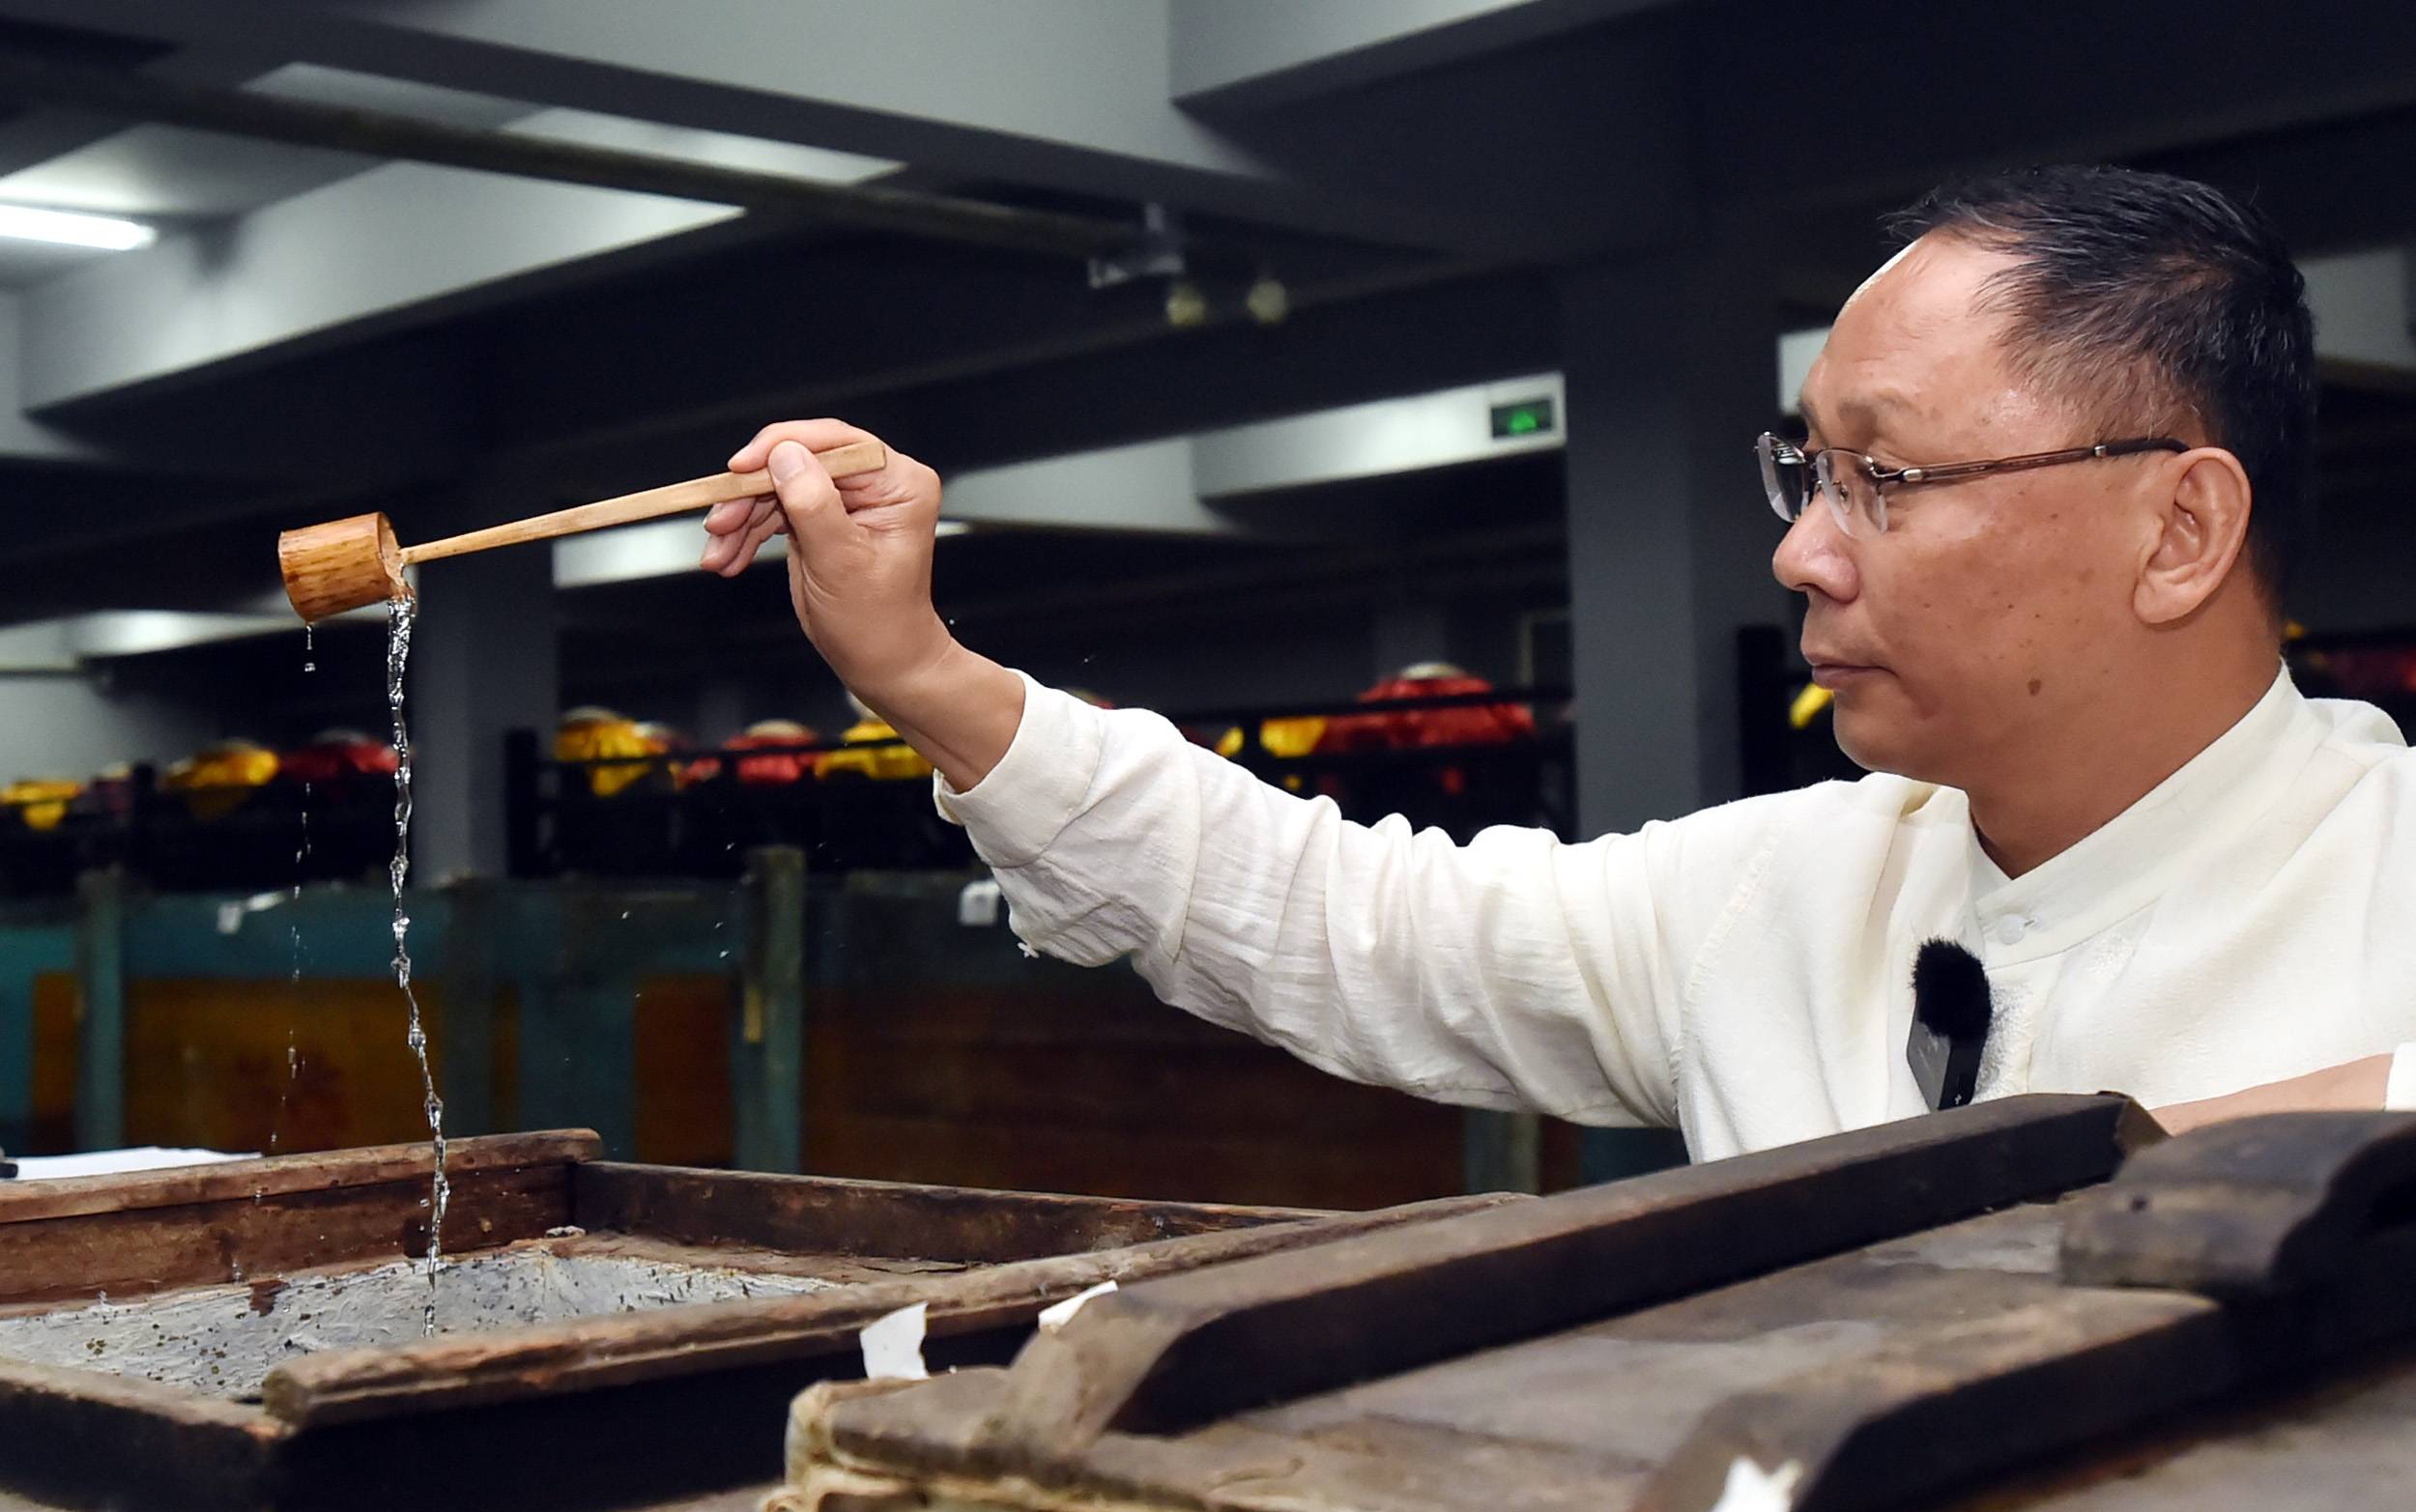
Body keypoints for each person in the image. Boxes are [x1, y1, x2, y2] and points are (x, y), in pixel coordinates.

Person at [700, 165, 2416, 1158]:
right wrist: (923, 670)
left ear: (2180, 530)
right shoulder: (1780, 892)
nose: (1804, 548)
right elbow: (1349, 922)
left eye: (1886, 480)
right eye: (1806, 474)